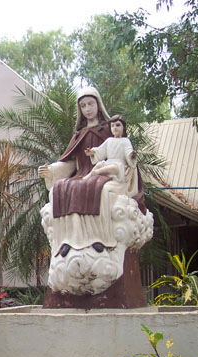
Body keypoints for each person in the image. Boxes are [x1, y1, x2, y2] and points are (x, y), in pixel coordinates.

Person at [37, 87, 146, 258]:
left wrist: (127, 166)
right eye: (83, 105)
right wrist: (50, 171)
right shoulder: (79, 134)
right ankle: (67, 241)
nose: (87, 109)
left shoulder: (109, 130)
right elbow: (69, 162)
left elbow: (124, 152)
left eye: (90, 104)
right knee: (60, 188)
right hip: (81, 175)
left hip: (105, 174)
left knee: (97, 188)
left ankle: (98, 239)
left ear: (98, 104)